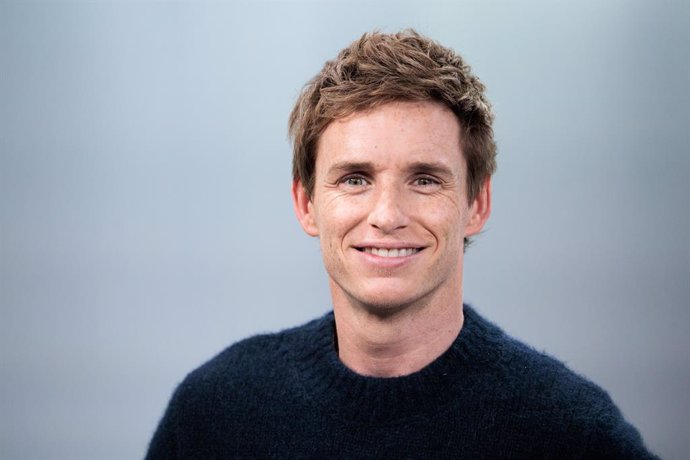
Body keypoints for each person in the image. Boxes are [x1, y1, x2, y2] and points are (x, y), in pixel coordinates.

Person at [145, 30, 657, 459]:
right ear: (305, 204)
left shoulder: (569, 434)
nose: (387, 215)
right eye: (354, 179)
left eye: (425, 180)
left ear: (476, 205)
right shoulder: (217, 414)